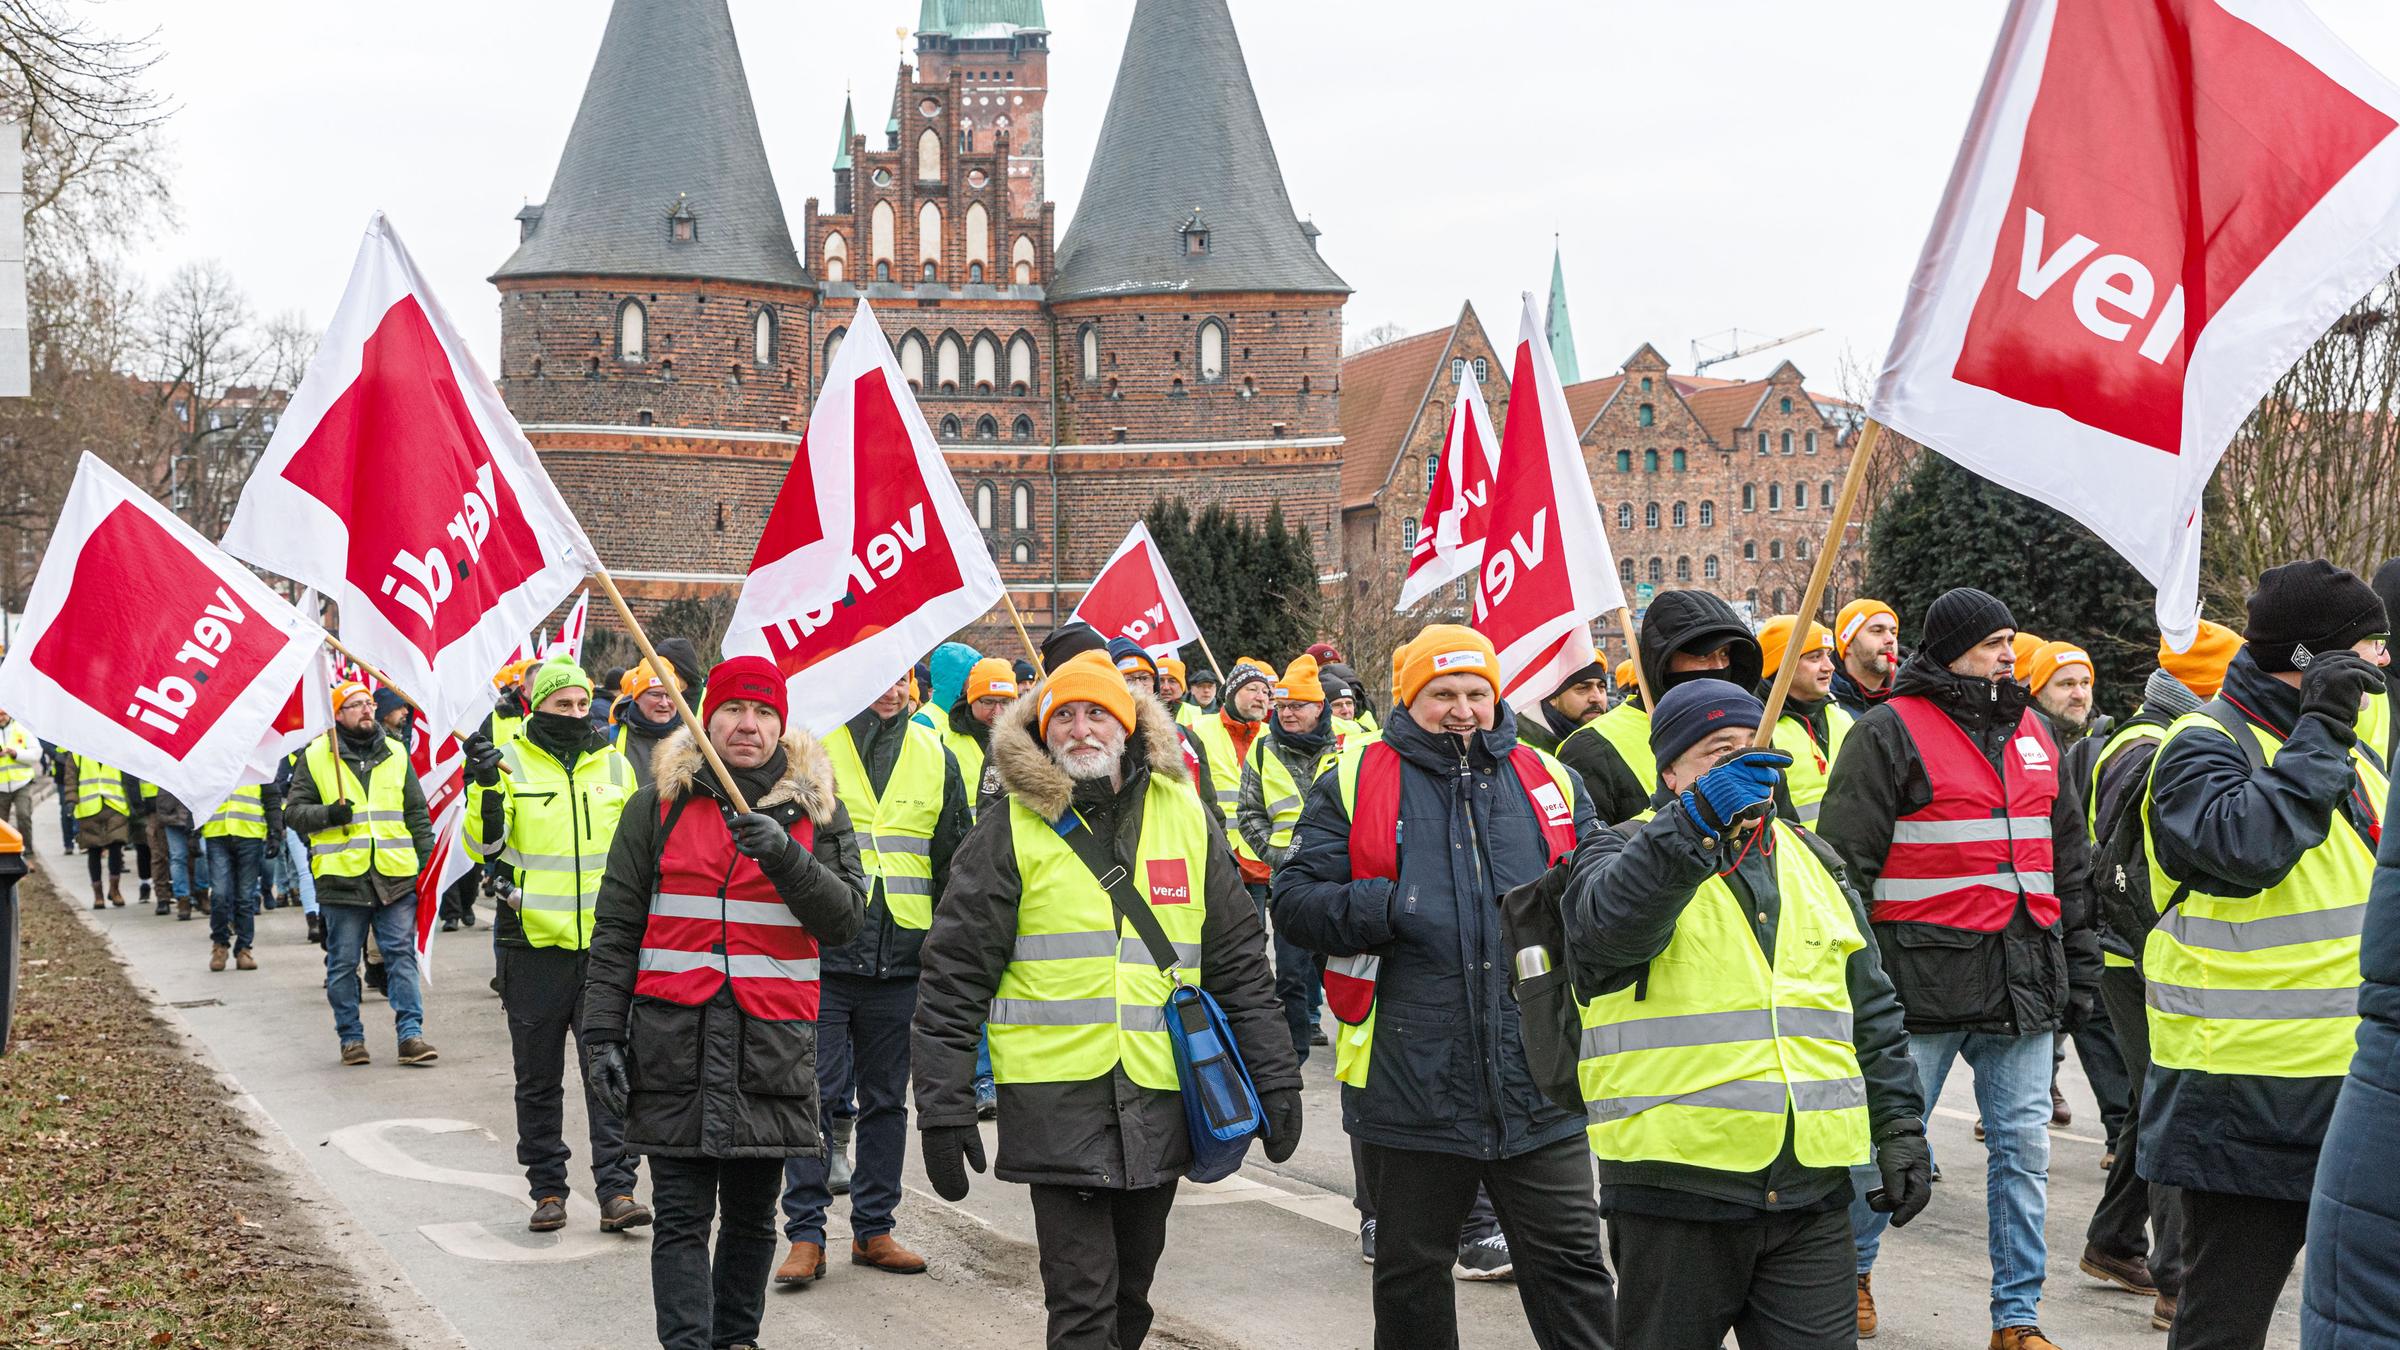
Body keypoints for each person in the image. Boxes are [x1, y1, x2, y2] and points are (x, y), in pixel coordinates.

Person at [912, 650, 1302, 1350]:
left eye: (1098, 713)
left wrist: (1275, 1076)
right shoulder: (1009, 828)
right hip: (1055, 1101)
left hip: (1161, 1092)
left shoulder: (1184, 814)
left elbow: (1239, 963)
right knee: (1083, 1307)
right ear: (1043, 730)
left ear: (1126, 727)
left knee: (1131, 1300)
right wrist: (941, 1107)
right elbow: (953, 979)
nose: (1082, 728)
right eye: (1065, 715)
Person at [1276, 625, 1618, 1350]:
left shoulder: (1549, 778)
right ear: (1411, 698)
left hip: (1538, 1077)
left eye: (1475, 693)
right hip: (1409, 1079)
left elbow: (1600, 892)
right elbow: (1296, 902)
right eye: (1442, 694)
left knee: (1574, 1268)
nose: (1462, 710)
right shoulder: (1354, 776)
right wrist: (1389, 906)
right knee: (1411, 1275)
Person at [1562, 681, 1930, 1350]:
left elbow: (1869, 1010)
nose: (1740, 764)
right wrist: (1695, 821)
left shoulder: (1816, 861)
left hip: (1809, 1190)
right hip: (1676, 1186)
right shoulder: (1618, 849)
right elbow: (1607, 936)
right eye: (1717, 752)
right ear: (1670, 772)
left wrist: (1901, 1126)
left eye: (1752, 748)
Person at [1817, 587, 2098, 1350]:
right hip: (1918, 983)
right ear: (1950, 653)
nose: (2010, 655)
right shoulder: (1885, 733)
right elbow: (1844, 868)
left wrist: (2081, 962)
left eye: (2012, 642)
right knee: (1889, 1143)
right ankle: (1852, 1275)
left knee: (2024, 1155)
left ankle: (2017, 1319)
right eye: (1993, 643)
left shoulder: (2036, 731)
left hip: (2023, 976)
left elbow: (2067, 860)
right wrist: (1860, 986)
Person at [581, 655, 867, 1350]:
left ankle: (737, 1340)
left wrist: (787, 857)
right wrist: (598, 1036)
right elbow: (618, 928)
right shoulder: (658, 807)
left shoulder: (817, 811)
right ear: (707, 717)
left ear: (782, 725)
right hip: (672, 1040)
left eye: (765, 713)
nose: (749, 725)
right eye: (735, 710)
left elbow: (847, 920)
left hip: (771, 1048)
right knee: (679, 1216)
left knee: (750, 1219)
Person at [2136, 560, 2387, 1350]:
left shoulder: (2352, 741)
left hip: (2350, 1077)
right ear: (2315, 661)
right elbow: (2248, 846)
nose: (2385, 662)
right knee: (2225, 1322)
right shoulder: (2200, 744)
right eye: (2371, 647)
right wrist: (2318, 731)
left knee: (2364, 1309)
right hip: (2242, 1093)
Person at [774, 670, 971, 1287]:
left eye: (902, 679)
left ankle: (873, 1229)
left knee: (888, 1102)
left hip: (904, 958)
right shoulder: (815, 749)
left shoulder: (934, 754)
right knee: (816, 1096)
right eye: (879, 677)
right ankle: (806, 1235)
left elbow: (953, 859)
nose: (890, 690)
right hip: (827, 953)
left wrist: (949, 949)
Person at [2075, 633, 2242, 1333]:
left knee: (2154, 1104)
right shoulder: (2153, 749)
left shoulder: (2141, 738)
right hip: (2141, 955)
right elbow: (2141, 863)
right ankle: (2177, 1279)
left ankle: (2113, 1243)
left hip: (2134, 950)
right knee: (2177, 1106)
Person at [462, 657, 647, 1235]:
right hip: (532, 944)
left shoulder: (615, 766)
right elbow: (483, 846)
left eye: (579, 703)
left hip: (605, 949)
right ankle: (547, 1188)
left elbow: (641, 850)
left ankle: (617, 1190)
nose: (573, 713)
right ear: (536, 705)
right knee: (537, 1078)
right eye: (560, 703)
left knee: (609, 1072)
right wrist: (486, 788)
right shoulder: (508, 762)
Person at [283, 680, 439, 1068]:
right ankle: (351, 1039)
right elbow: (293, 813)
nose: (367, 709)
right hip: (342, 880)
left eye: (369, 703)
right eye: (355, 705)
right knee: (342, 962)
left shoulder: (396, 752)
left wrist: (424, 859)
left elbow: (416, 812)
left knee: (401, 955)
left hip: (394, 877)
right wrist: (327, 815)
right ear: (338, 715)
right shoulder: (318, 755)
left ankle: (411, 1035)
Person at [1561, 589, 1763, 825]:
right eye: (1703, 656)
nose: (1718, 666)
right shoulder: (1592, 746)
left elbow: (1778, 822)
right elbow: (1590, 851)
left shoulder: (1748, 731)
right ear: (1664, 662)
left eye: (1725, 654)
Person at [1237, 654, 1339, 1066]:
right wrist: (1279, 857)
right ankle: (1292, 1057)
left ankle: (1356, 1051)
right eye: (1281, 707)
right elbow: (1248, 814)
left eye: (1296, 705)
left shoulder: (1348, 746)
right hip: (1290, 883)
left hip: (1340, 883)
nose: (1287, 714)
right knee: (1292, 976)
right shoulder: (1263, 751)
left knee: (1342, 973)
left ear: (1319, 706)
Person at [1756, 616, 1850, 827]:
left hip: (1847, 856)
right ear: (1781, 665)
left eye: (1828, 655)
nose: (1829, 667)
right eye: (1815, 657)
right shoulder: (1758, 730)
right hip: (1791, 856)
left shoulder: (1841, 718)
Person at [201, 784, 270, 967]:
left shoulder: (258, 758)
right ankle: (220, 945)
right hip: (216, 832)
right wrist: (191, 829)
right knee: (219, 894)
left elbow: (271, 794)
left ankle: (244, 949)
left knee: (245, 897)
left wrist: (275, 831)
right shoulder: (210, 760)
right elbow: (196, 792)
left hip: (250, 833)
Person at [942, 657, 1018, 807]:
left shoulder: (1031, 740)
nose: (997, 712)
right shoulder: (945, 744)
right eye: (988, 702)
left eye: (1005, 702)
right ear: (971, 700)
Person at [70, 753, 133, 908]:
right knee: (94, 851)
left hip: (115, 805)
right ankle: (98, 895)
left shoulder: (114, 747)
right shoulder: (76, 752)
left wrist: (133, 802)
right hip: (89, 809)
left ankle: (115, 889)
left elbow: (127, 776)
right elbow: (70, 778)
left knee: (116, 845)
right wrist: (70, 800)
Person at [611, 659, 685, 788]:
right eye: (655, 695)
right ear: (637, 698)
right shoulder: (610, 739)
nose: (664, 703)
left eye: (670, 695)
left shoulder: (696, 740)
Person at [1515, 659, 1610, 756]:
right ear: (1552, 697)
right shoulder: (1520, 749)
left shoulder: (1617, 736)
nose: (1597, 698)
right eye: (1583, 688)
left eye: (1601, 687)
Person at [1832, 598, 1901, 715]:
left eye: (1893, 632)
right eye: (1877, 631)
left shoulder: (1912, 689)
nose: (1890, 639)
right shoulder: (1825, 700)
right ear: (1848, 644)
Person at [0, 709, 38, 848]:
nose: (1, 717)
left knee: (23, 816)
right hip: (1, 787)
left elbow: (36, 754)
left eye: (4, 714)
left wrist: (16, 754)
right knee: (2, 825)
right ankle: (3, 856)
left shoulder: (21, 730)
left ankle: (28, 852)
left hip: (22, 783)